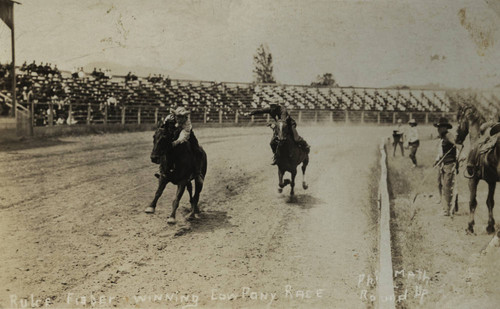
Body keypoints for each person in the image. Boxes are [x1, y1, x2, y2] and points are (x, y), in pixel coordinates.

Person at [165, 107, 204, 183]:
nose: (179, 119)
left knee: (198, 151)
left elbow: (185, 133)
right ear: (175, 115)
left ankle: (197, 173)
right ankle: (162, 170)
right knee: (162, 147)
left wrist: (177, 142)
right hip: (173, 131)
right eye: (178, 117)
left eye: (181, 117)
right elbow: (164, 127)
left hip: (187, 134)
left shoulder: (187, 122)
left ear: (185, 117)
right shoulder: (169, 118)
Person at [434, 117, 457, 216]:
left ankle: (447, 209)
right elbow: (441, 151)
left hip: (450, 164)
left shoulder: (449, 135)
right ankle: (450, 206)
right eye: (438, 127)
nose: (438, 129)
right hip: (443, 163)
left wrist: (460, 156)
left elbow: (457, 145)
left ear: (445, 127)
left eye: (440, 127)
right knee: (441, 184)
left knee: (447, 186)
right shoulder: (442, 137)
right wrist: (437, 160)